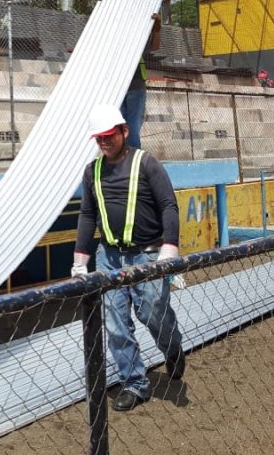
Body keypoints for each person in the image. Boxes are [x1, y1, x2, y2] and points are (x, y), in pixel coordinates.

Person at [71, 103, 186, 412]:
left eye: (109, 135)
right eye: (99, 138)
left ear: (124, 131)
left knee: (152, 312)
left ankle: (172, 348)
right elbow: (86, 215)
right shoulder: (92, 171)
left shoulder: (146, 163)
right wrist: (80, 260)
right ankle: (134, 382)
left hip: (147, 255)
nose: (104, 142)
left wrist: (169, 249)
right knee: (115, 323)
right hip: (109, 257)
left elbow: (168, 206)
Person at [120, 13, 161, 149]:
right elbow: (155, 46)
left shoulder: (116, 39)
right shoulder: (136, 39)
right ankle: (131, 154)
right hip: (131, 86)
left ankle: (127, 154)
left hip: (120, 86)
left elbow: (154, 46)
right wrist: (156, 28)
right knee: (132, 122)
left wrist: (156, 28)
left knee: (124, 122)